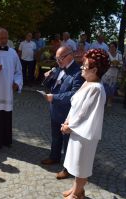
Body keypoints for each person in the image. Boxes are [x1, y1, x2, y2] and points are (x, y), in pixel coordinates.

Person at [61, 49, 109, 199]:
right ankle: (76, 188)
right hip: (77, 130)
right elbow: (75, 105)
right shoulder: (87, 83)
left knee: (82, 164)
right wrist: (68, 120)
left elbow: (84, 114)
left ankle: (77, 194)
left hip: (85, 133)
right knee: (75, 162)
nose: (81, 68)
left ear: (94, 70)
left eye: (84, 66)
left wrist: (70, 126)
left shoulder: (96, 88)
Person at [41, 46, 84, 180]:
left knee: (68, 141)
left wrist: (55, 97)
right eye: (56, 58)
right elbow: (51, 86)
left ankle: (68, 168)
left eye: (60, 58)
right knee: (55, 136)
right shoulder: (59, 68)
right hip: (55, 109)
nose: (58, 61)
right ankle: (54, 157)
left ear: (69, 56)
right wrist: (47, 77)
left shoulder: (78, 72)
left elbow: (75, 94)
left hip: (68, 113)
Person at [102, 42, 123, 107]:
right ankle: (103, 101)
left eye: (113, 47)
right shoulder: (106, 54)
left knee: (112, 88)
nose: (111, 48)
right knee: (105, 88)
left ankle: (110, 101)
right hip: (106, 73)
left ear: (115, 48)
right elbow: (103, 63)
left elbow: (121, 64)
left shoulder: (119, 55)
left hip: (115, 74)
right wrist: (110, 64)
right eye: (110, 47)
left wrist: (117, 65)